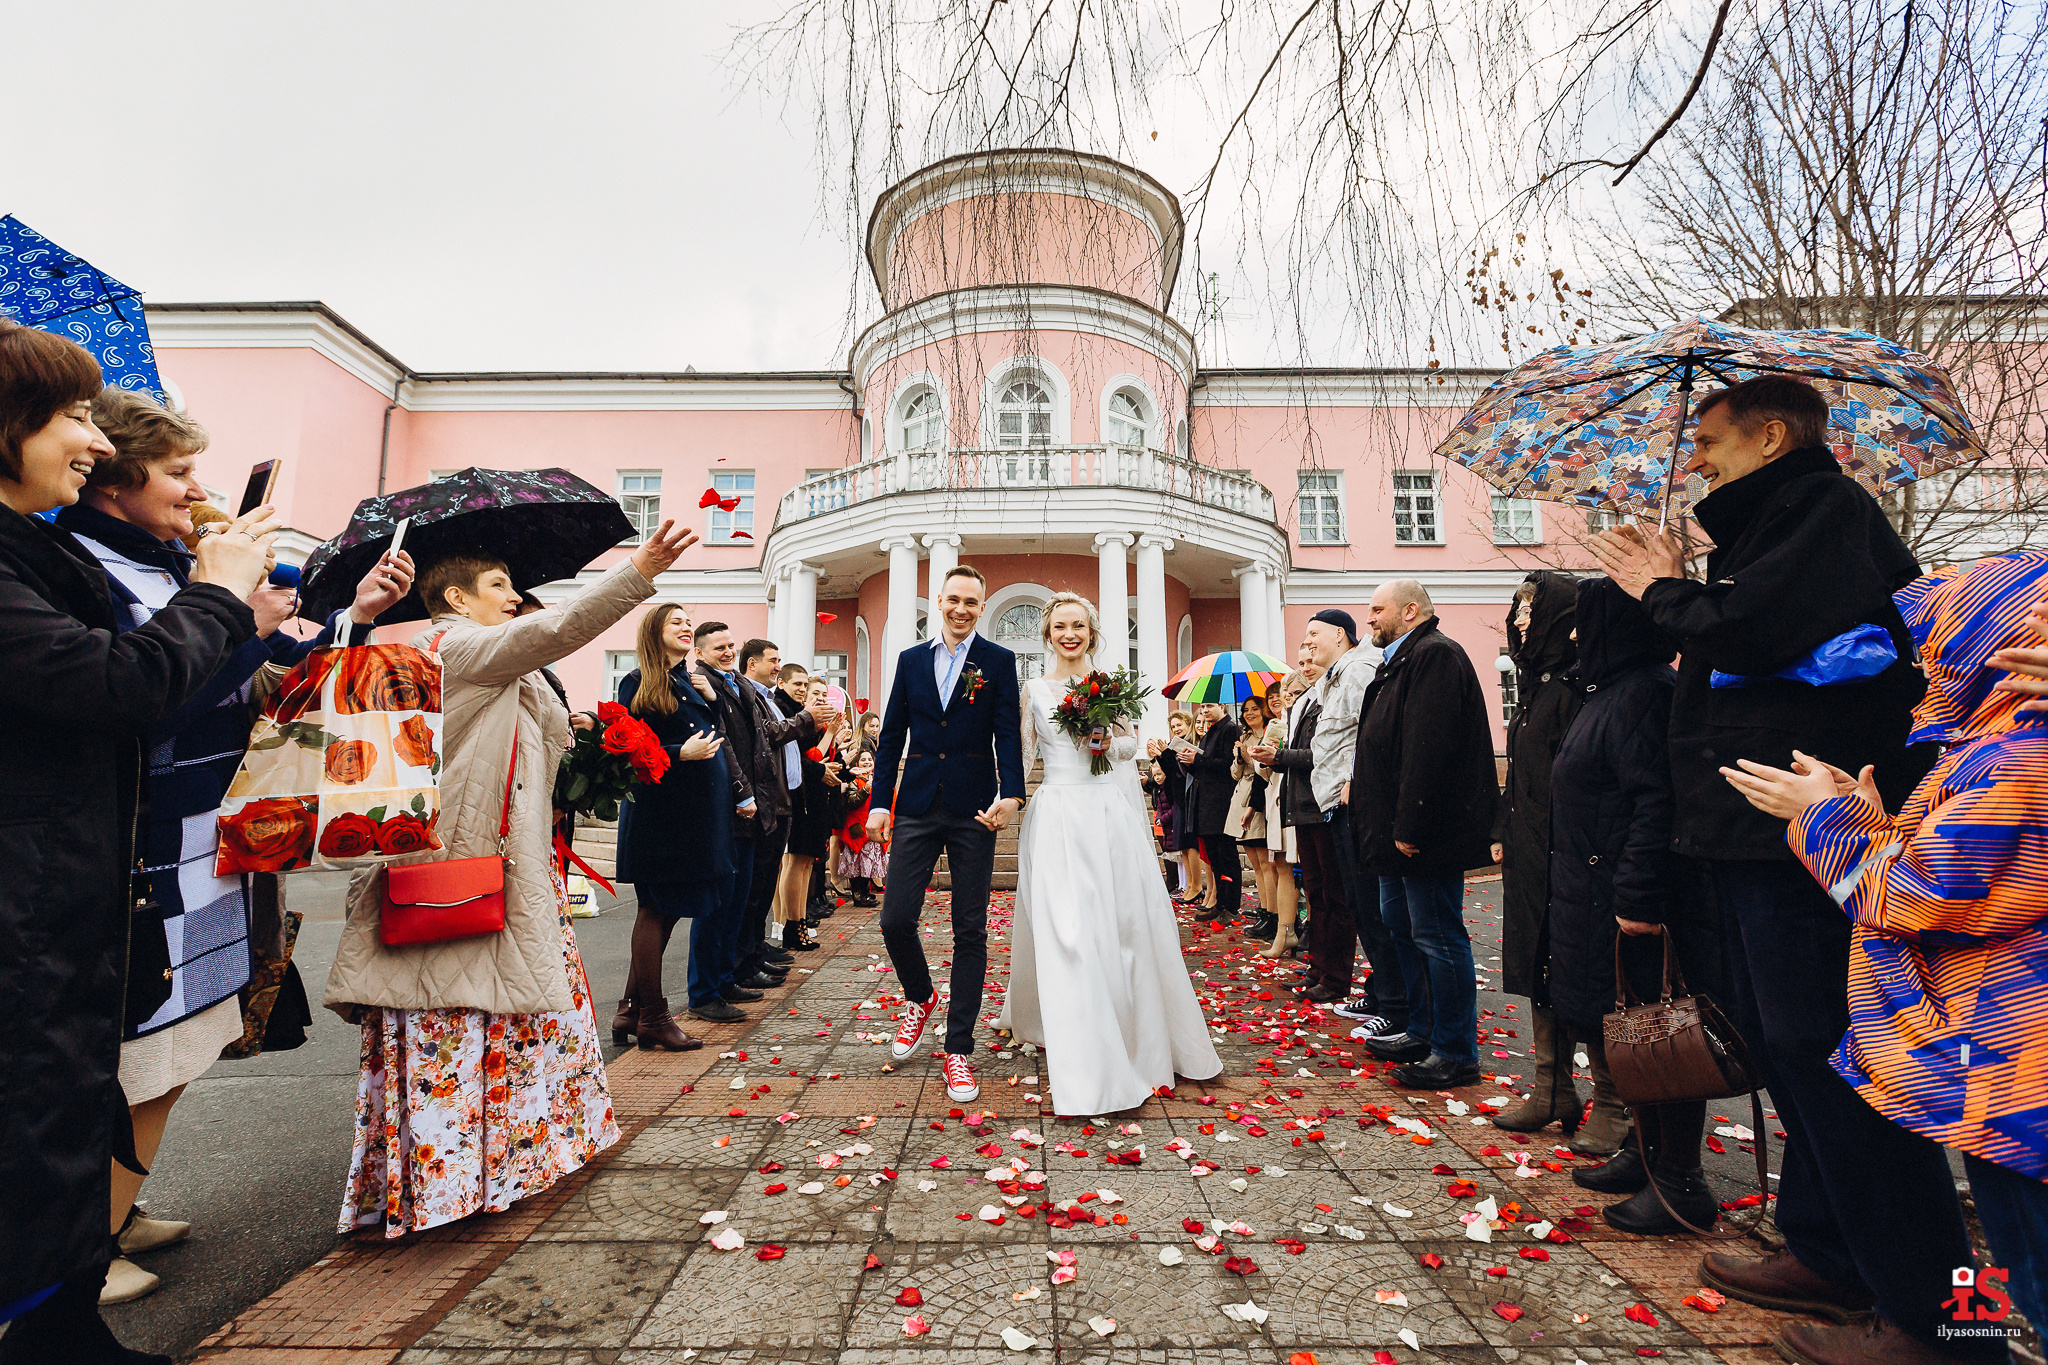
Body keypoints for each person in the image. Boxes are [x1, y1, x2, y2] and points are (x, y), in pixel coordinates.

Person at [1590, 376, 1982, 1362]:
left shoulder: (1818, 506)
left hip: (1805, 839)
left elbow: (1751, 636)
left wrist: (1659, 586)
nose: (1696, 460)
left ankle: (1933, 1320)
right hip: (1756, 838)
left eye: (1710, 441)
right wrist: (1691, 585)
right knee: (1796, 1059)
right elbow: (1742, 641)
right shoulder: (1773, 527)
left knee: (1843, 1070)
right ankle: (1826, 1249)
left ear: (1769, 437)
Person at [54, 388, 410, 1306]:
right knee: (142, 1058)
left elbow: (264, 680)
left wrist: (353, 616)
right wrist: (232, 607)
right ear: (114, 479)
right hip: (146, 848)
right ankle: (79, 1249)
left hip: (204, 845)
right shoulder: (84, 569)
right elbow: (149, 696)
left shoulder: (172, 567)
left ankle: (119, 1210)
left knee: (175, 1051)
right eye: (177, 471)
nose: (195, 488)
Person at [0, 321, 278, 1365]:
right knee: (44, 1115)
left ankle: (65, 1319)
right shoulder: (44, 563)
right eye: (70, 416)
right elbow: (119, 688)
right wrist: (217, 592)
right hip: (40, 894)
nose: (89, 440)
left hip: (75, 889)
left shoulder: (39, 553)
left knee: (67, 1107)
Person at [325, 516, 699, 1239]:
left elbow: (540, 736)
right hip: (459, 874)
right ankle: (452, 1183)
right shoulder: (452, 644)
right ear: (457, 598)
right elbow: (548, 633)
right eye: (499, 585)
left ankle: (508, 1165)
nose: (513, 596)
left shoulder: (496, 661)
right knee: (457, 1023)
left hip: (511, 869)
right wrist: (639, 570)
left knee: (513, 1022)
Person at [1723, 553, 2048, 1351]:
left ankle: (1956, 1344)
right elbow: (1972, 868)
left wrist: (1828, 819)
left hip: (2015, 1072)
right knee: (2000, 1245)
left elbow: (1917, 893)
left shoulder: (2017, 758)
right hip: (1998, 1072)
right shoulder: (2002, 740)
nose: (1926, 659)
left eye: (1943, 638)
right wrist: (1867, 813)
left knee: (2030, 1265)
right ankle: (1966, 1343)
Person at [997, 593, 1223, 1114]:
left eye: (1078, 625)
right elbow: (1023, 754)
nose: (1069, 634)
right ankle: (1084, 1054)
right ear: (1048, 633)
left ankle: (1129, 1035)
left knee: (1120, 927)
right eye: (1059, 626)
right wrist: (1003, 799)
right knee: (1069, 930)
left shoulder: (1110, 685)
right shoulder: (1033, 688)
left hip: (1106, 813)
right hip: (1057, 813)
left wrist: (1104, 740)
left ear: (1091, 632)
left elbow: (1130, 746)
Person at [1545, 578, 1722, 1234]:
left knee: (1657, 1035)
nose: (1571, 636)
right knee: (1629, 1029)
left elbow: (1656, 799)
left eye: (1583, 624)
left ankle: (1679, 1179)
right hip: (1599, 892)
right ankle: (1645, 1153)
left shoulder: (1645, 693)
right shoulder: (1614, 692)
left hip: (1627, 901)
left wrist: (1637, 894)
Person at [868, 564, 1025, 1105]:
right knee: (895, 918)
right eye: (953, 600)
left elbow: (1008, 732)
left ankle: (959, 1048)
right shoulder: (911, 661)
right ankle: (920, 996)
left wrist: (1013, 794)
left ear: (983, 607)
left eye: (971, 603)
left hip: (975, 807)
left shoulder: (998, 662)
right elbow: (891, 738)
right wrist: (878, 804)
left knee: (970, 928)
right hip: (915, 804)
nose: (961, 610)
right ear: (939, 601)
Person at [1352, 579, 1499, 1089]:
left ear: (1410, 610)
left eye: (1376, 610)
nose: (1368, 618)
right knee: (1401, 923)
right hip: (1394, 828)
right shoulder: (1403, 658)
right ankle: (1422, 1028)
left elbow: (1427, 746)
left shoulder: (1434, 656)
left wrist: (1410, 823)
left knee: (1437, 933)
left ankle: (1454, 1050)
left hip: (1421, 831)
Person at [1488, 571, 1613, 1150]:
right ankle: (1553, 1086)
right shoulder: (1539, 686)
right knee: (1541, 962)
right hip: (1533, 852)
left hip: (1571, 855)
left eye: (1530, 609)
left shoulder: (1579, 686)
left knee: (1580, 971)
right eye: (1517, 608)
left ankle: (1613, 1099)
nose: (1519, 620)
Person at [692, 627, 831, 1018]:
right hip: (740, 802)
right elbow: (735, 743)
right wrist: (743, 792)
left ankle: (734, 971)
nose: (727, 652)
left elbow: (760, 737)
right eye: (720, 647)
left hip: (767, 801)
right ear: (700, 652)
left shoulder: (739, 688)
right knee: (727, 901)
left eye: (730, 646)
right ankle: (713, 985)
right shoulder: (708, 685)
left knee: (744, 898)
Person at [611, 602, 729, 1052]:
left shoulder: (689, 681)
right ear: (653, 631)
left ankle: (629, 1008)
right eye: (675, 621)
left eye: (687, 622)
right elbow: (628, 747)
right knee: (655, 910)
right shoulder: (637, 681)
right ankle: (654, 1019)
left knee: (673, 908)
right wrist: (679, 752)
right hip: (660, 816)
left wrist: (713, 702)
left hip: (693, 815)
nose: (685, 627)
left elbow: (715, 738)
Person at [733, 643, 809, 986]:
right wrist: (806, 720)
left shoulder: (763, 696)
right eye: (773, 660)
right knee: (756, 885)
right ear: (753, 663)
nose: (778, 666)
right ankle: (746, 958)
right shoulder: (753, 695)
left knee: (763, 883)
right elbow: (769, 735)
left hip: (782, 797)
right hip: (764, 798)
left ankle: (756, 948)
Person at [776, 677, 840, 947]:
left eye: (823, 694)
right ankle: (787, 924)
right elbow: (811, 759)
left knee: (805, 863)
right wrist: (829, 735)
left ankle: (798, 921)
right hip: (798, 795)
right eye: (806, 689)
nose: (816, 696)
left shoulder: (808, 721)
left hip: (814, 796)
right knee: (794, 862)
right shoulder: (789, 714)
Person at [1253, 670, 1309, 959]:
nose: (1288, 698)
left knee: (1310, 869)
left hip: (1303, 797)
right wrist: (1263, 755)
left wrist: (1280, 755)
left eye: (1295, 693)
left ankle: (1311, 930)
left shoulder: (1311, 718)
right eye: (1287, 694)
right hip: (1278, 796)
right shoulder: (1278, 724)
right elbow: (1263, 772)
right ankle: (1285, 932)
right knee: (1282, 865)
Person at [1180, 700, 1243, 925]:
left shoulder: (1230, 729)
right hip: (1206, 802)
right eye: (1203, 707)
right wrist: (1188, 762)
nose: (1205, 711)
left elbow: (1228, 764)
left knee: (1227, 855)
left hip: (1222, 802)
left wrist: (1197, 759)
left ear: (1223, 707)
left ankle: (1232, 905)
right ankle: (1220, 901)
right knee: (1215, 858)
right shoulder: (1209, 732)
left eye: (1210, 706)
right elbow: (1203, 768)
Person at [1228, 694, 1276, 940]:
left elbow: (1262, 769)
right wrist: (1238, 757)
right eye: (1246, 710)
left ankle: (1271, 913)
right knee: (1255, 863)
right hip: (1241, 797)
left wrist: (1249, 758)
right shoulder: (1243, 737)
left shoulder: (1268, 735)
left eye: (1254, 709)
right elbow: (1235, 774)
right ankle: (1263, 909)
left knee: (1265, 862)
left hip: (1259, 799)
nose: (1249, 713)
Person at [832, 750, 885, 904]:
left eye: (870, 759)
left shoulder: (876, 779)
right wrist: (866, 789)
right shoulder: (853, 781)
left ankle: (865, 891)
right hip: (856, 828)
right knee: (857, 865)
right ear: (857, 764)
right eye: (863, 760)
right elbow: (852, 801)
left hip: (871, 827)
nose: (867, 762)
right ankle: (858, 895)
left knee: (868, 864)